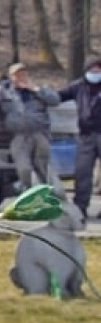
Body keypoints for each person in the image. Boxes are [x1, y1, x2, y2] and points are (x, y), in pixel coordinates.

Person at [0, 62, 61, 196]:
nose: (21, 77)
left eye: (23, 74)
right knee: (24, 168)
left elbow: (55, 100)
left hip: (39, 134)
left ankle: (48, 195)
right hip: (19, 135)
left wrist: (35, 89)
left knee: (43, 167)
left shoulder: (38, 90)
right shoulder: (4, 91)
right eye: (17, 75)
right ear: (11, 77)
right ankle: (30, 194)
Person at [56, 56, 101, 222]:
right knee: (82, 173)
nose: (96, 73)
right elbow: (58, 96)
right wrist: (38, 93)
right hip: (86, 135)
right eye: (92, 70)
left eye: (98, 69)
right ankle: (80, 208)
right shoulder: (78, 87)